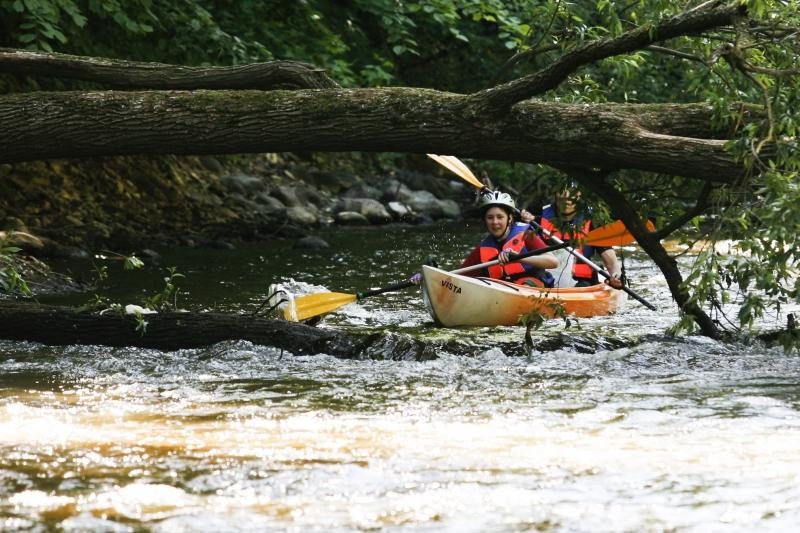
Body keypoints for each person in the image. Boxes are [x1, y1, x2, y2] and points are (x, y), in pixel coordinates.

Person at [520, 188, 623, 289]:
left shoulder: (593, 223)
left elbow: (610, 260)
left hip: (581, 282)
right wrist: (523, 220)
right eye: (563, 190)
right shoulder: (537, 216)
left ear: (580, 196)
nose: (567, 196)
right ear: (556, 193)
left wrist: (616, 275)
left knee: (584, 285)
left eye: (572, 192)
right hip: (543, 278)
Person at [456, 191, 559, 287]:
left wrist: (519, 258)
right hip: (501, 292)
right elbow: (459, 278)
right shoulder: (483, 248)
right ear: (485, 220)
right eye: (490, 217)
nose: (495, 222)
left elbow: (553, 262)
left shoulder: (526, 235)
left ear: (509, 218)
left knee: (525, 284)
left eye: (500, 217)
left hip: (532, 286)